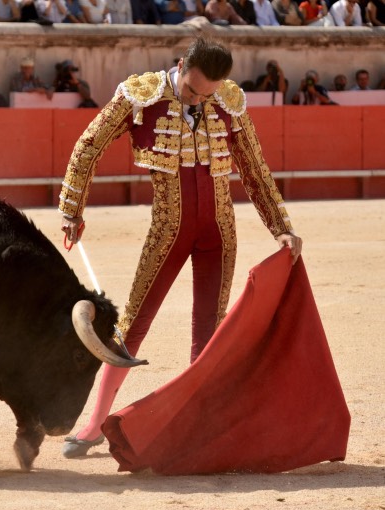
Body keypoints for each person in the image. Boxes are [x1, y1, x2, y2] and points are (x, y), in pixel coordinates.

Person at [57, 37, 302, 458]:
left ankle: (198, 425)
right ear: (181, 64)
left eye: (207, 94)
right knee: (133, 323)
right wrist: (71, 209)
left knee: (210, 328)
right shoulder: (141, 96)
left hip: (219, 233)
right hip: (168, 230)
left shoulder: (227, 100)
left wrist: (281, 227)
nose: (198, 100)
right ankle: (96, 422)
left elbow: (254, 167)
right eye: (192, 91)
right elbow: (88, 145)